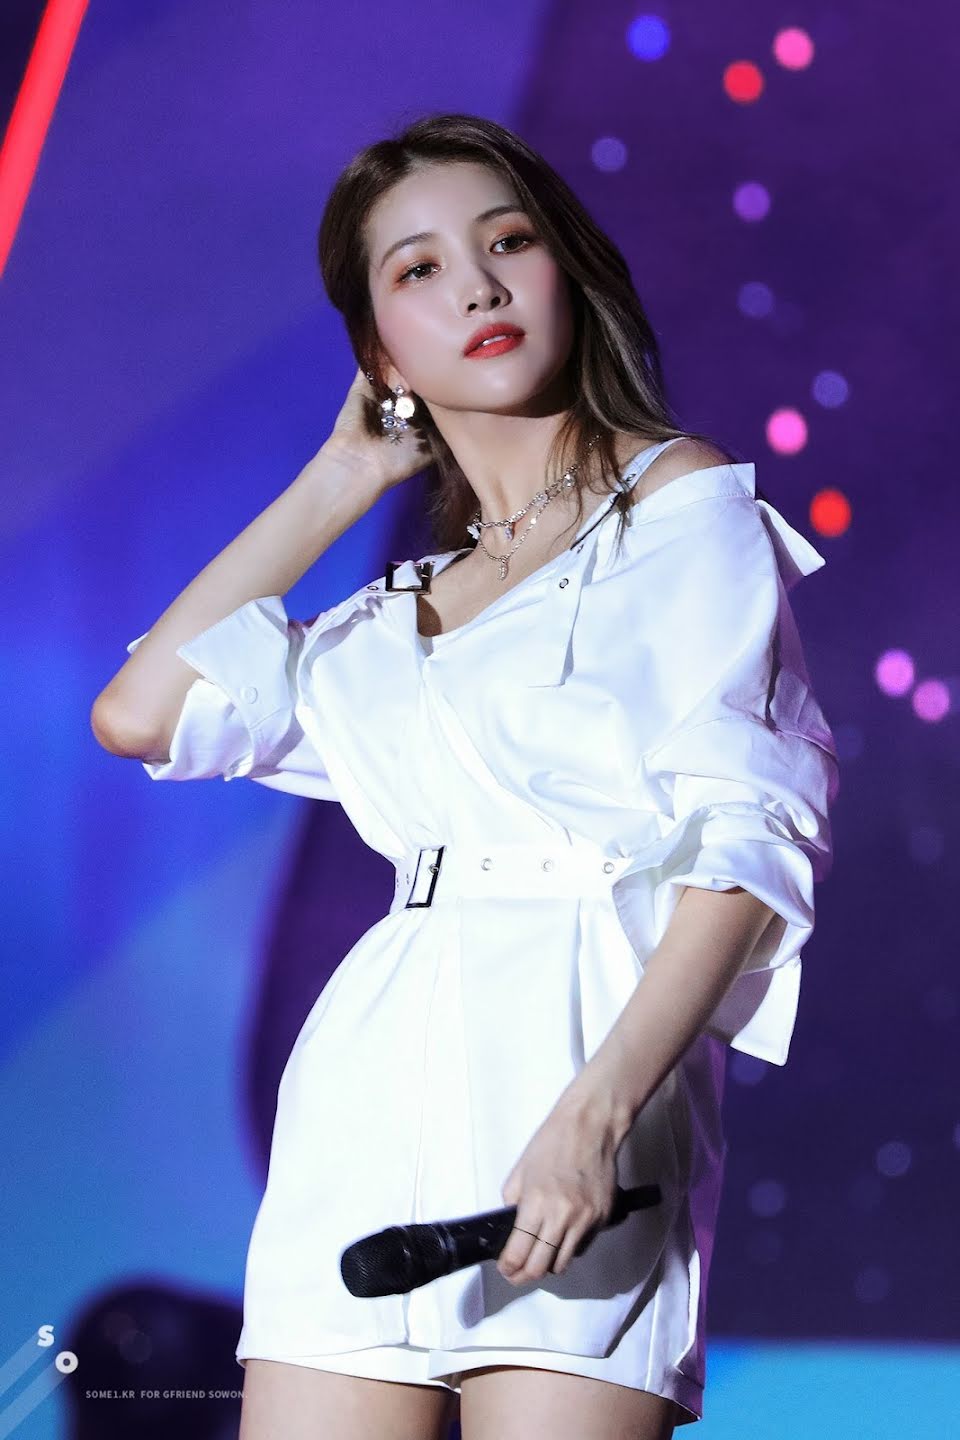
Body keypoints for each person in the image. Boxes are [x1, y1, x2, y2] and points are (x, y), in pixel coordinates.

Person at [91, 113, 840, 1440]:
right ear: (380, 349)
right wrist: (342, 473)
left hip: (582, 1068)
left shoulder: (680, 507)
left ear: (568, 272)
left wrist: (598, 1111)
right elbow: (140, 712)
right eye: (420, 269)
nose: (480, 288)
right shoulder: (395, 619)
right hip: (369, 1096)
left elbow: (745, 839)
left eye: (509, 243)